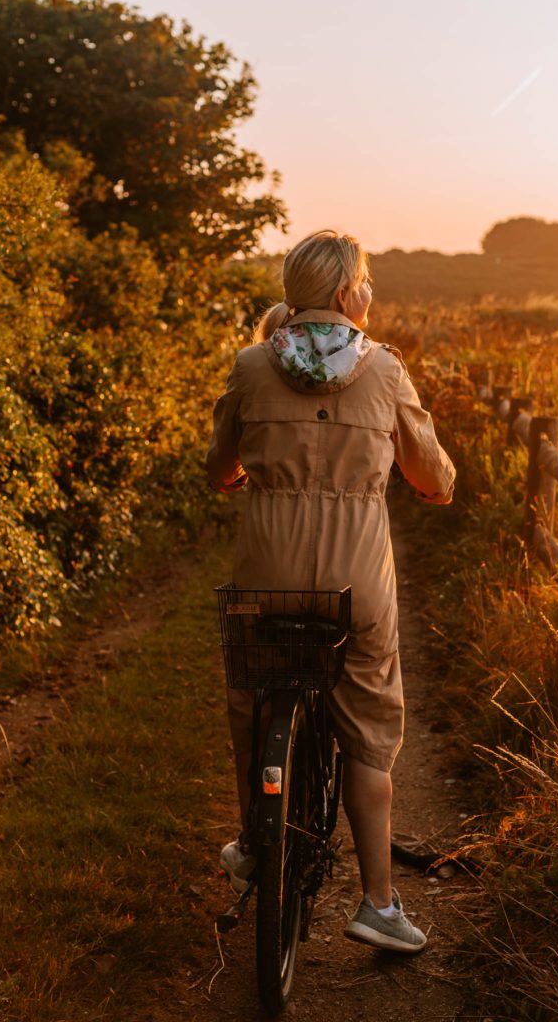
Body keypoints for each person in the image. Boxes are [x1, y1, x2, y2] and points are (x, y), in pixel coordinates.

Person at [206, 229, 456, 954]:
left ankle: (258, 841)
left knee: (253, 710)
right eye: (366, 284)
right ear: (349, 294)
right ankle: (377, 904)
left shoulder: (253, 365)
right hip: (357, 582)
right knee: (370, 734)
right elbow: (432, 478)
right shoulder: (385, 372)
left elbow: (219, 466)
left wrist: (242, 475)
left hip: (268, 573)